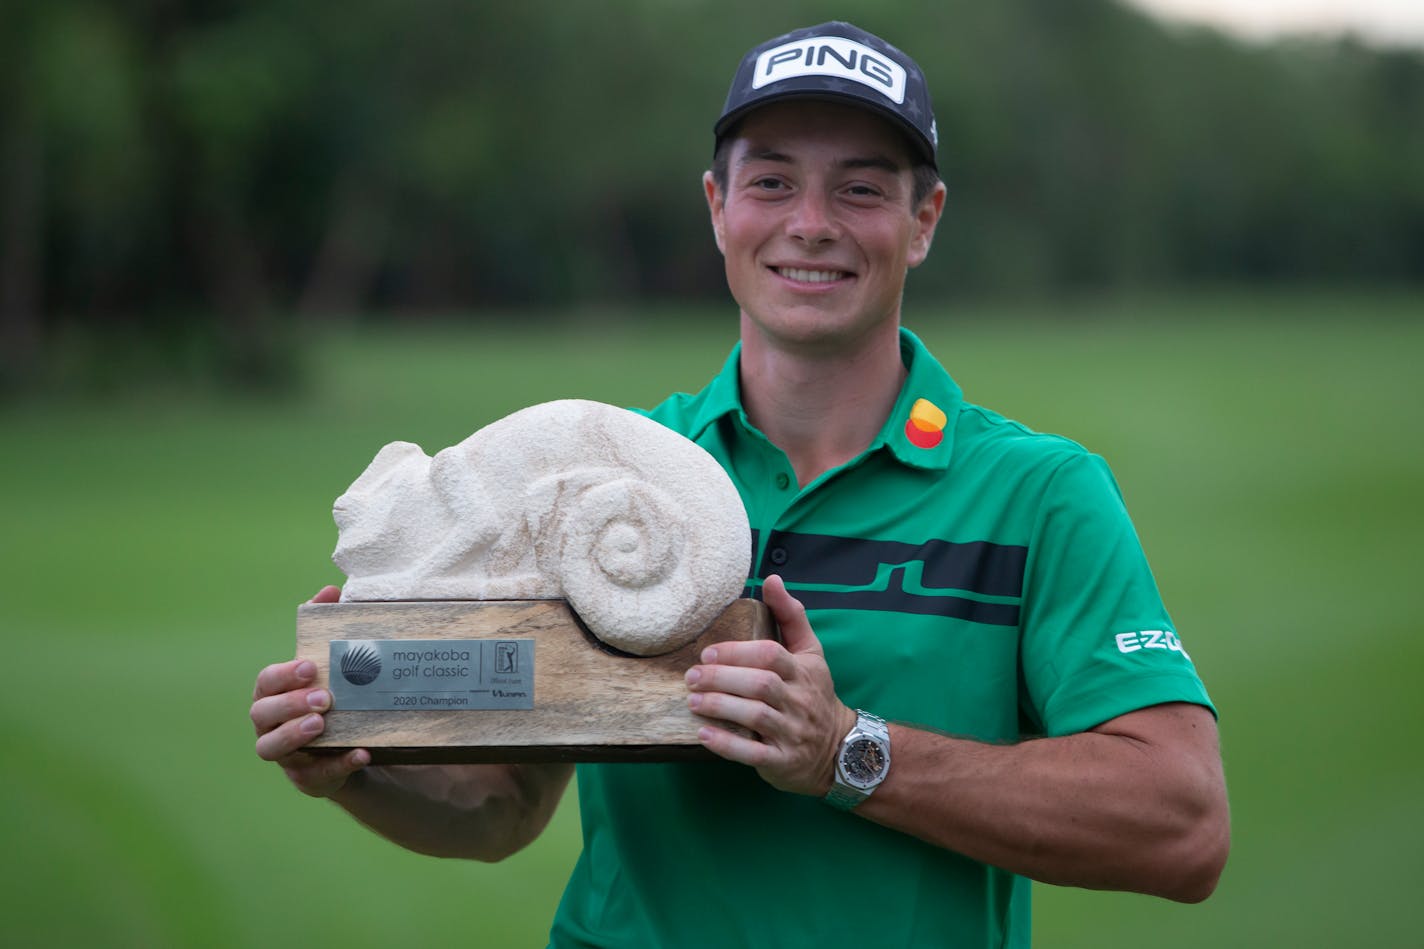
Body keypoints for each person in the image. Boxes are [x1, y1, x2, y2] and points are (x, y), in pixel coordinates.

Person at [251, 21, 1229, 947]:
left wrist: (847, 750)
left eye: (858, 189)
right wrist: (351, 770)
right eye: (770, 182)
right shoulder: (593, 474)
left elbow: (1180, 824)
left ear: (921, 220)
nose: (809, 225)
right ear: (717, 207)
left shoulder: (1037, 492)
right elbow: (502, 803)